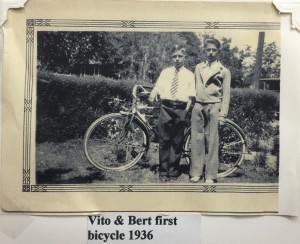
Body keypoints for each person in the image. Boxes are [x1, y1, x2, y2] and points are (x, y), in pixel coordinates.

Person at [149, 45, 195, 182]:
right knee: (164, 140)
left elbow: (192, 96)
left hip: (181, 108)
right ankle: (163, 172)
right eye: (174, 56)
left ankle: (173, 172)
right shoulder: (166, 72)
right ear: (171, 58)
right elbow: (158, 87)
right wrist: (154, 91)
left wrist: (185, 111)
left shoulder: (189, 75)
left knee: (176, 141)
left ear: (184, 58)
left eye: (180, 56)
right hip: (166, 107)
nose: (177, 59)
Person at [190, 37, 231, 183]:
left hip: (214, 107)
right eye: (208, 50)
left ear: (218, 51)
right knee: (196, 139)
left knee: (212, 141)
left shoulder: (224, 71)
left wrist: (223, 114)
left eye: (214, 50)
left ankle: (210, 175)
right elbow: (194, 87)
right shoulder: (198, 67)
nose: (211, 52)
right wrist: (193, 104)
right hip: (198, 106)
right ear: (204, 51)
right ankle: (196, 173)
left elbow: (226, 95)